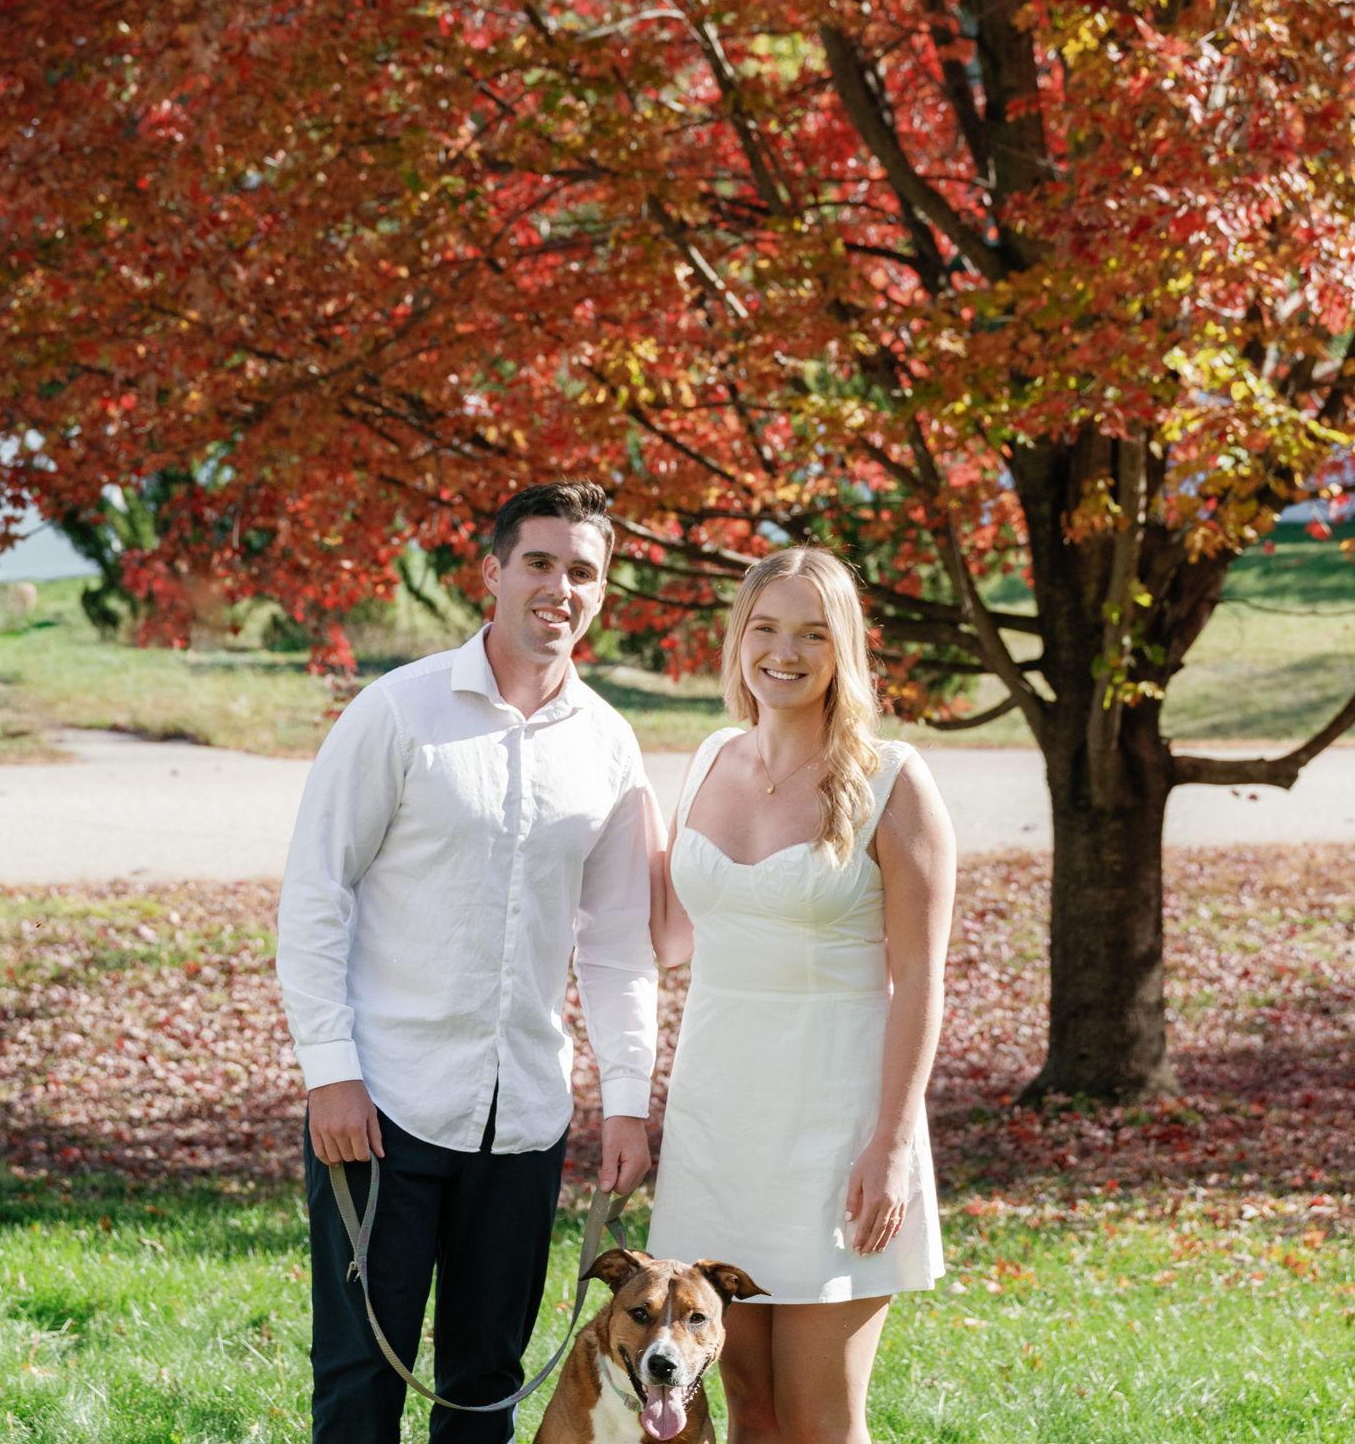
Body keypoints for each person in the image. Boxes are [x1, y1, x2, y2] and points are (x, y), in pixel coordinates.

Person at [277, 481, 657, 1444]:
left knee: (487, 1379)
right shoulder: (397, 712)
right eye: (540, 563)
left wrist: (626, 1097)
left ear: (601, 592)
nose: (560, 588)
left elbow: (617, 944)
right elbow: (317, 892)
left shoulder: (609, 745)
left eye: (583, 572)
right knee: (361, 1376)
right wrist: (329, 1072)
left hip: (524, 1116)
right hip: (382, 1106)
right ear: (492, 572)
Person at [645, 546, 955, 1444]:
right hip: (713, 1125)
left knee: (819, 1417)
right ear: (738, 637)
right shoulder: (710, 758)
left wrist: (890, 1144)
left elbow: (920, 979)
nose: (784, 652)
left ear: (844, 648)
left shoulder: (892, 780)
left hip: (836, 1127)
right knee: (748, 1405)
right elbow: (669, 935)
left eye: (813, 634)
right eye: (766, 628)